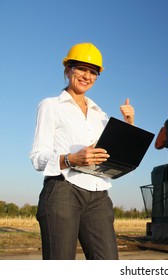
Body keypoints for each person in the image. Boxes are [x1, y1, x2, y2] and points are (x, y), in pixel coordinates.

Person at [30, 42, 134, 260]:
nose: (87, 75)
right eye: (81, 69)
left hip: (98, 195)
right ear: (68, 70)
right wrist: (72, 159)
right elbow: (38, 157)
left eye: (93, 72)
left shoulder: (101, 115)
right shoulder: (50, 105)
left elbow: (113, 154)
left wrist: (128, 124)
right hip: (62, 190)